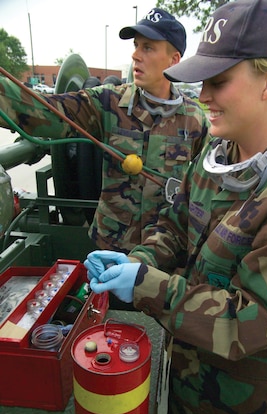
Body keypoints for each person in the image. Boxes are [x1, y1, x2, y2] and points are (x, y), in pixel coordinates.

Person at [84, 0, 267, 414]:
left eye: (219, 81)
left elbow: (255, 319)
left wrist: (145, 286)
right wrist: (137, 260)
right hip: (184, 394)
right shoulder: (215, 152)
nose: (202, 96)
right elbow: (176, 229)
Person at [0, 7, 209, 254]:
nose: (136, 55)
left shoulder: (194, 120)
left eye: (148, 47)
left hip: (165, 255)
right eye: (136, 45)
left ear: (174, 59)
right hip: (112, 250)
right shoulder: (107, 103)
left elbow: (205, 189)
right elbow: (46, 112)